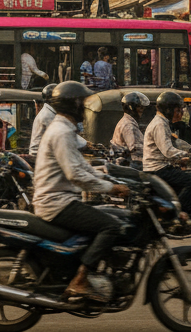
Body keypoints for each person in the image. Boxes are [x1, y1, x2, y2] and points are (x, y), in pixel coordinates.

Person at [33, 81, 127, 302]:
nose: (85, 108)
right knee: (111, 225)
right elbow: (75, 174)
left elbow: (81, 166)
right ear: (73, 104)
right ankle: (80, 280)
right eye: (83, 103)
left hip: (61, 198)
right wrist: (110, 188)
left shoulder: (65, 129)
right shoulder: (61, 131)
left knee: (103, 214)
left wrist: (107, 178)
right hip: (57, 202)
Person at [144, 91, 191, 216]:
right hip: (158, 169)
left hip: (160, 167)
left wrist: (186, 155)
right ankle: (180, 214)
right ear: (168, 110)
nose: (181, 113)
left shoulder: (163, 122)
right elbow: (168, 151)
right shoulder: (160, 124)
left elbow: (170, 147)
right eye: (178, 110)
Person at [111, 92, 149, 167]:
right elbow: (136, 149)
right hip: (131, 164)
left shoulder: (126, 121)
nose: (142, 110)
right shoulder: (129, 126)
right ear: (131, 108)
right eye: (140, 107)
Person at [29, 83, 59, 155]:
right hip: (39, 155)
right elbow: (61, 134)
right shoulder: (48, 115)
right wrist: (84, 144)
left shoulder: (50, 112)